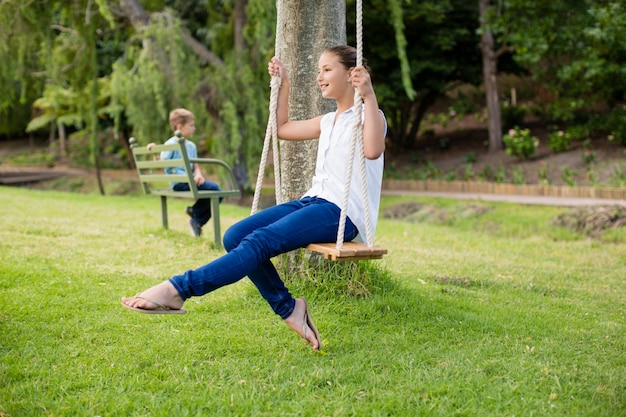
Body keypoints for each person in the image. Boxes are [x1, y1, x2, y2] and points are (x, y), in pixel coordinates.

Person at [122, 45, 387, 351]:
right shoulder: (329, 121)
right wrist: (284, 84)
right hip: (313, 200)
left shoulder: (370, 115)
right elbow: (281, 129)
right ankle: (290, 308)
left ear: (352, 73)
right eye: (318, 70)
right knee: (236, 235)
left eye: (327, 69)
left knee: (259, 242)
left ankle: (178, 289)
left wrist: (368, 94)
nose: (319, 76)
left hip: (341, 213)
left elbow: (372, 150)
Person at [150, 108, 222, 237]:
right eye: (191, 125)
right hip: (179, 183)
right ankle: (196, 217)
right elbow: (162, 164)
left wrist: (198, 174)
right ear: (179, 126)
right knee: (216, 190)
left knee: (216, 191)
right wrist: (155, 152)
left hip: (191, 180)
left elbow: (195, 165)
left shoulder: (191, 146)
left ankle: (195, 213)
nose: (194, 128)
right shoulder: (171, 144)